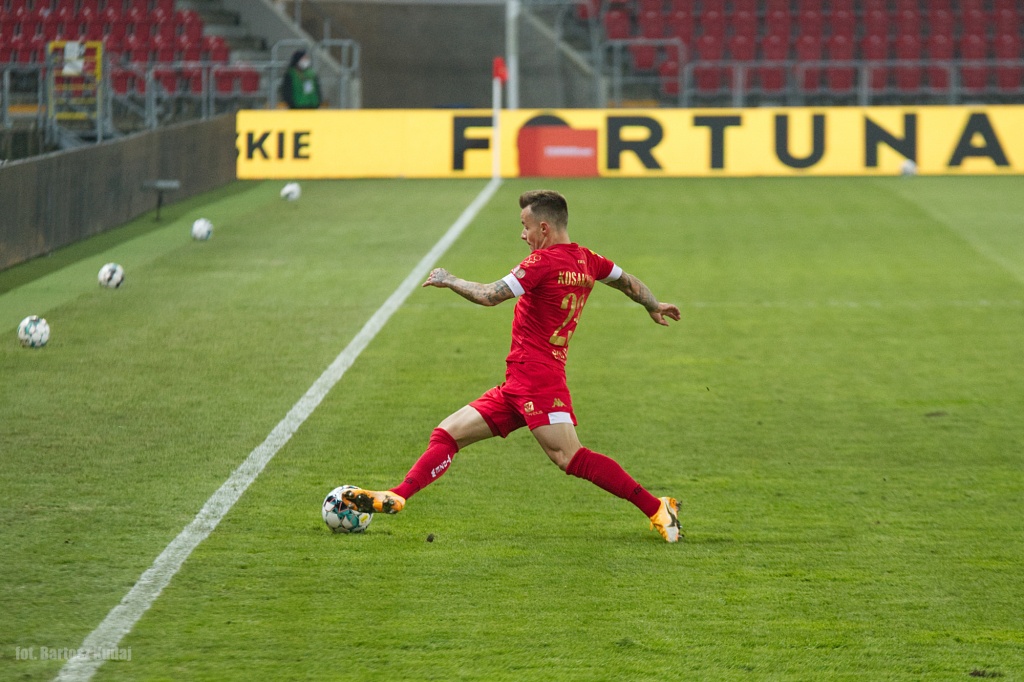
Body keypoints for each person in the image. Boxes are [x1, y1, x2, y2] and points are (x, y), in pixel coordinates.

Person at [343, 190, 684, 542]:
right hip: (518, 382)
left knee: (570, 457)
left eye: (525, 227)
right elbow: (627, 282)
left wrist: (449, 279)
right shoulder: (588, 259)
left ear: (544, 227)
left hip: (538, 379)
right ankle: (398, 494)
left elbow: (489, 295)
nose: (522, 235)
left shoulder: (541, 264)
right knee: (447, 433)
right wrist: (653, 305)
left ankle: (658, 508)